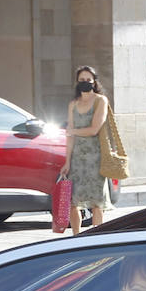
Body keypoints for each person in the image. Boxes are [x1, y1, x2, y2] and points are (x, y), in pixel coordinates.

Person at [62, 65, 110, 235]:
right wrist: (67, 161)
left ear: (94, 82)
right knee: (73, 201)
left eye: (88, 80)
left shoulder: (100, 101)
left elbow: (94, 129)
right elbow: (69, 135)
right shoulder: (73, 104)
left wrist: (73, 131)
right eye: (81, 80)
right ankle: (76, 236)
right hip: (77, 158)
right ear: (77, 82)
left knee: (97, 201)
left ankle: (96, 236)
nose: (85, 83)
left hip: (95, 157)